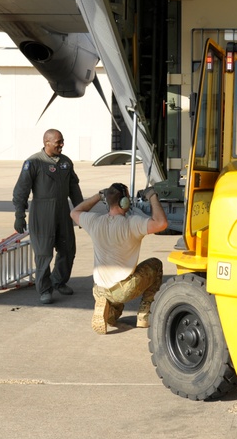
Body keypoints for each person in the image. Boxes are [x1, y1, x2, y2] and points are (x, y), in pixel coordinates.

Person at [70, 183, 168, 333]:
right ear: (124, 202)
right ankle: (144, 315)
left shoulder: (94, 221)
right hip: (124, 289)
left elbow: (75, 211)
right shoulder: (132, 223)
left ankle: (106, 309)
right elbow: (161, 223)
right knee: (155, 264)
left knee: (115, 308)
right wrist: (153, 196)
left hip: (100, 289)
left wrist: (98, 196)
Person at [12, 129, 84, 304]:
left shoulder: (66, 162)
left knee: (68, 249)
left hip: (63, 212)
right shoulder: (34, 162)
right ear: (47, 142)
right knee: (44, 253)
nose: (61, 145)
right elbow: (21, 190)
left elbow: (74, 188)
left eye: (62, 141)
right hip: (42, 213)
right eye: (58, 142)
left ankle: (58, 281)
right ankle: (44, 289)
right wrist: (19, 214)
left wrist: (81, 212)